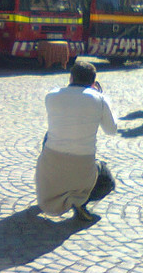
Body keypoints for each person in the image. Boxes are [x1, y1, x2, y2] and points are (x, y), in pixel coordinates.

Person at [35, 61, 118, 222]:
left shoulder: (51, 96)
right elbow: (111, 130)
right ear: (93, 82)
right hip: (82, 166)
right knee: (108, 180)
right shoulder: (100, 99)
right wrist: (104, 100)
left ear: (71, 78)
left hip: (51, 163)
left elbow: (71, 109)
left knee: (50, 135)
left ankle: (57, 192)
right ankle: (81, 201)